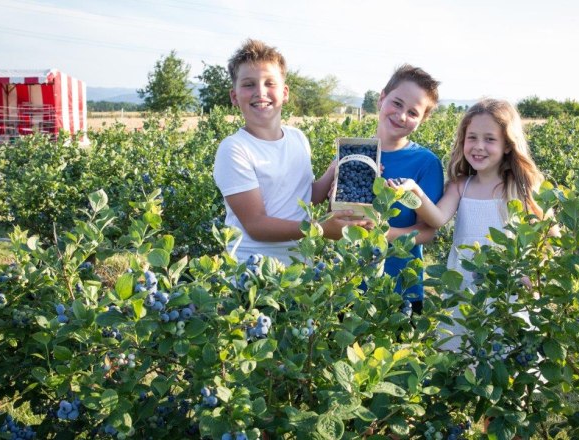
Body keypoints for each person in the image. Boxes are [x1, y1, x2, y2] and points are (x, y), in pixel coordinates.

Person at [388, 98, 548, 351]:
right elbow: (436, 218)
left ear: (508, 145)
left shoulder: (520, 189)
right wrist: (411, 192)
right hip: (463, 286)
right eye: (472, 138)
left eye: (490, 139)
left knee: (505, 354)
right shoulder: (461, 186)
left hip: (507, 287)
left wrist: (534, 272)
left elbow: (549, 235)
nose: (479, 147)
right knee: (462, 355)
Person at [213, 39, 367, 265]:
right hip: (252, 273)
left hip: (299, 267)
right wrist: (320, 229)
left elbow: (302, 198)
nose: (260, 92)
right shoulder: (234, 148)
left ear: (285, 93)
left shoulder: (297, 138)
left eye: (270, 83)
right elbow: (256, 225)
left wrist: (335, 171)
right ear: (235, 97)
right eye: (248, 84)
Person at [374, 64, 445, 315]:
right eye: (397, 103)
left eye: (413, 112)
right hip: (351, 282)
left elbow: (427, 232)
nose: (401, 115)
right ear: (382, 98)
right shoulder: (354, 153)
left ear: (422, 119)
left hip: (402, 288)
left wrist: (379, 233)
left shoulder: (425, 163)